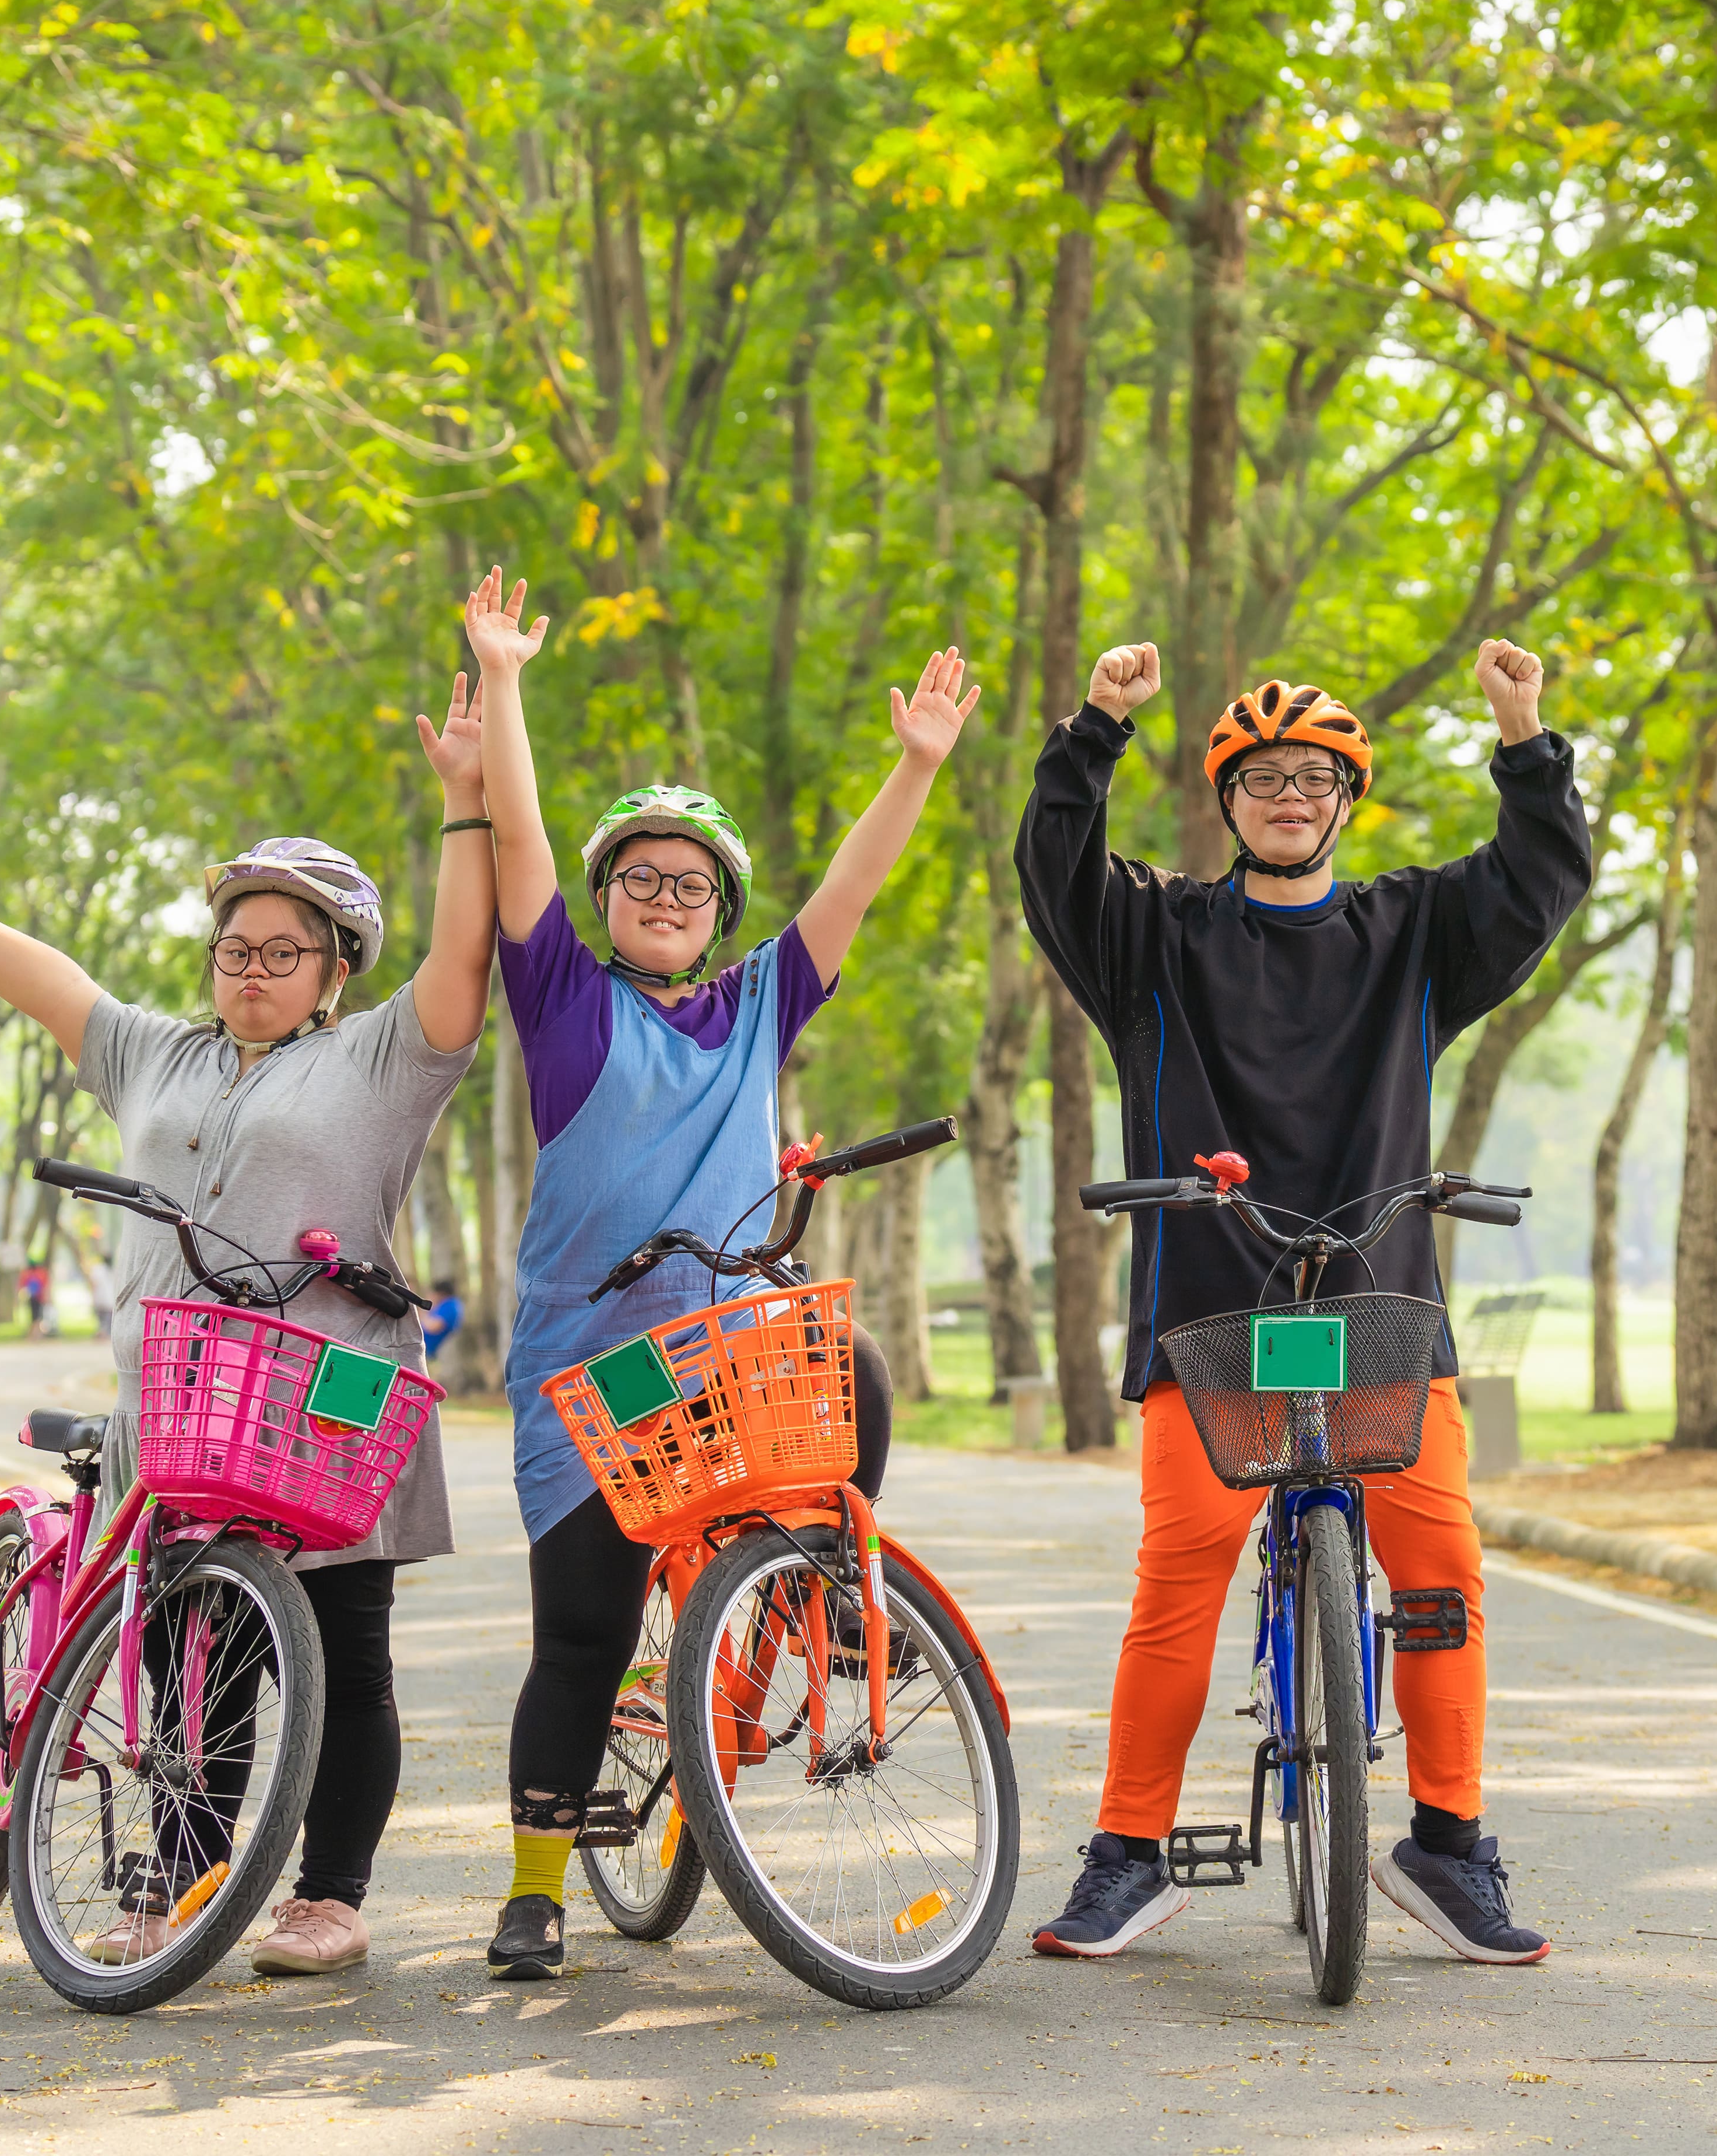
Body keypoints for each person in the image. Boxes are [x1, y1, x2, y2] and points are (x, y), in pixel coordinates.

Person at [0, 666, 499, 1980]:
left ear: (333, 969)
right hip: (182, 1408)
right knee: (189, 1661)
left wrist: (465, 805)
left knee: (345, 1654)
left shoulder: (381, 1059)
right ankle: (183, 1883)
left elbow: (463, 953)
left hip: (328, 1391)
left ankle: (329, 1897)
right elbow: (59, 983)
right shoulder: (159, 1053)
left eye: (283, 951)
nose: (252, 969)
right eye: (235, 947)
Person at [1016, 637, 1592, 1966]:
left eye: (1314, 777)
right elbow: (1056, 872)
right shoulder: (1153, 936)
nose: (1288, 795)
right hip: (1211, 1307)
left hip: (1383, 1299)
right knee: (1180, 1579)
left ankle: (1448, 1848)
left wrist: (1524, 738)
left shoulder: (1412, 934)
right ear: (1229, 800)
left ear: (1347, 799)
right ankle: (1126, 1856)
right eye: (1263, 775)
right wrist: (1097, 726)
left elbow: (1541, 877)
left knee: (1441, 1572)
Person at [461, 565, 978, 1981]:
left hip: (725, 1336)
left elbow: (855, 888)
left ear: (722, 905)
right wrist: (503, 682)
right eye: (641, 879)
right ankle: (536, 1886)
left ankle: (823, 1599)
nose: (666, 897)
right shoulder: (563, 994)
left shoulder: (762, 1000)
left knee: (854, 1366)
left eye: (691, 884)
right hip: (590, 1362)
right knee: (580, 1630)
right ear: (610, 897)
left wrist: (915, 767)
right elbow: (515, 846)